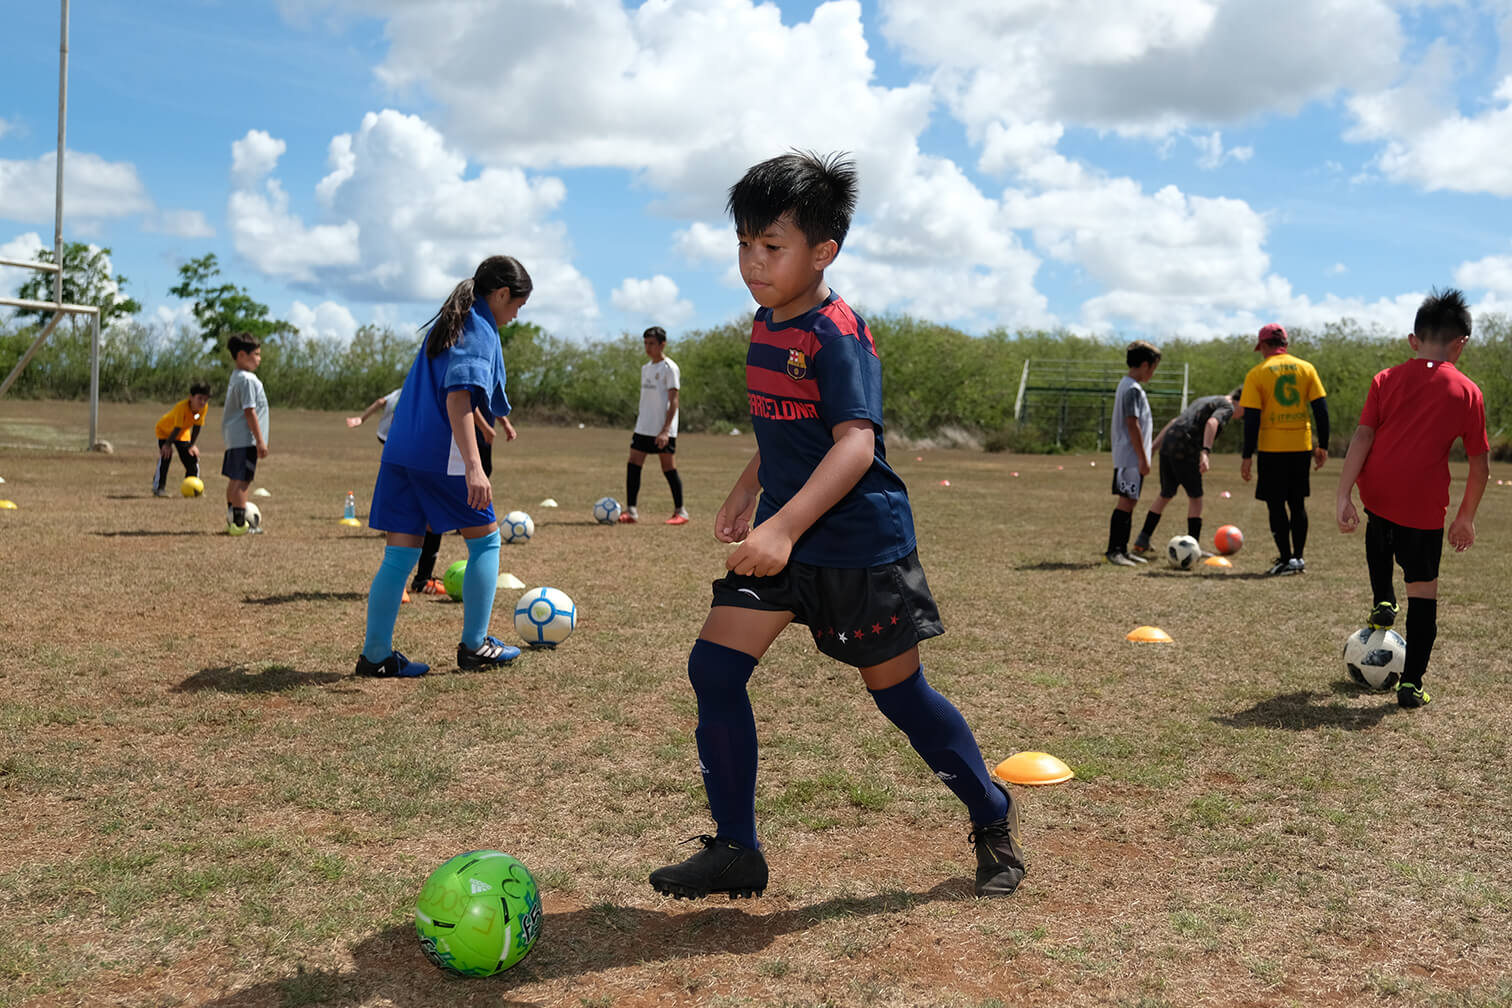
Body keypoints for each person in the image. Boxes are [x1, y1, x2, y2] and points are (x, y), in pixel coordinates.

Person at [648, 151, 1026, 902]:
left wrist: (782, 526)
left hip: (858, 549)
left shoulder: (837, 334)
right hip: (786, 538)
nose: (754, 264)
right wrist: (746, 488)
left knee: (900, 698)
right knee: (715, 669)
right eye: (745, 246)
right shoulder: (766, 323)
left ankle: (991, 810)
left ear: (824, 251)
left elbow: (854, 444)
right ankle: (737, 849)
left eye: (772, 248)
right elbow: (789, 427)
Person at [353, 255, 530, 679]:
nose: (517, 314)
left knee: (399, 555)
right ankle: (475, 646)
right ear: (501, 294)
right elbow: (457, 397)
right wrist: (474, 466)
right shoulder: (479, 329)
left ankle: (375, 655)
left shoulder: (449, 324)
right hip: (440, 456)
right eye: (517, 305)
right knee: (486, 543)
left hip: (400, 450)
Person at [1335, 288, 1489, 709]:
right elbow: (1480, 466)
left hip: (1378, 493)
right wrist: (1465, 518)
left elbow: (1363, 436)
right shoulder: (1468, 392)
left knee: (1379, 535)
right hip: (1423, 509)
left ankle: (1383, 598)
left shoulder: (1385, 379)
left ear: (1413, 340)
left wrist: (1344, 493)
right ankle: (1411, 684)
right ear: (1461, 344)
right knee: (1423, 595)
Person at [349, 390, 516, 594]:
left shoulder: (426, 372)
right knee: (480, 538)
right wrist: (484, 427)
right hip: (442, 445)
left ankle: (418, 579)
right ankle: (409, 581)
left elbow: (486, 397)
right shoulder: (446, 371)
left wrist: (502, 423)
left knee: (430, 515)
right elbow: (461, 398)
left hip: (437, 445)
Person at [1240, 323, 1329, 575]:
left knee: (1276, 505)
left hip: (1271, 449)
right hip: (1300, 446)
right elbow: (1320, 410)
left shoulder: (1257, 373)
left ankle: (1285, 558)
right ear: (1285, 344)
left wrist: (1247, 455)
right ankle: (1297, 559)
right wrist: (1322, 445)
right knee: (1297, 503)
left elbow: (1252, 419)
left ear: (1265, 346)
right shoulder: (1306, 368)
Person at [1132, 388, 1242, 556]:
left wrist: (1154, 447)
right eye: (1246, 410)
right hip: (1185, 448)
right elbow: (1212, 423)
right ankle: (1194, 547)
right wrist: (1205, 452)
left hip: (1169, 444)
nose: (1242, 415)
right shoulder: (1228, 406)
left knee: (1165, 494)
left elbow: (1175, 421)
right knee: (1196, 498)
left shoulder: (1205, 398)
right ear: (1241, 401)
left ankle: (1142, 539)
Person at [620, 325, 688, 525]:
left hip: (662, 429)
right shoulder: (646, 368)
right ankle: (631, 511)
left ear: (662, 344)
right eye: (645, 344)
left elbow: (674, 400)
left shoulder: (670, 368)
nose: (647, 348)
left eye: (651, 344)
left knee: (668, 467)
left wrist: (665, 430)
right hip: (643, 427)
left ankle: (681, 512)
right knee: (633, 463)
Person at [1104, 341, 1161, 566]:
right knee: (1126, 502)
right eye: (1153, 368)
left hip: (1130, 456)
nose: (1153, 373)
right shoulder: (1132, 389)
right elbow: (1132, 424)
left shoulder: (1127, 385)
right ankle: (1114, 551)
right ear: (1145, 365)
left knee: (1130, 501)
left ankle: (1122, 549)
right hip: (1130, 457)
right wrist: (1142, 458)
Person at [221, 334, 268, 533]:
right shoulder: (248, 380)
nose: (259, 359)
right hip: (245, 438)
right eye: (256, 354)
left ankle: (233, 519)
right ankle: (240, 525)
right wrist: (260, 440)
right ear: (241, 355)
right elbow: (249, 411)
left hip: (234, 438)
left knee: (235, 480)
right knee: (243, 481)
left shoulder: (236, 376)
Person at [152, 381, 212, 496]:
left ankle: (194, 487)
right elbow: (176, 427)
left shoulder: (203, 408)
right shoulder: (182, 407)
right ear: (191, 397)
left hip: (182, 433)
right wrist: (167, 445)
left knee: (191, 457)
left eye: (205, 399)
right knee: (166, 456)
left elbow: (197, 426)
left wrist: (192, 445)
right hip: (165, 431)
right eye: (199, 398)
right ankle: (159, 488)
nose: (203, 402)